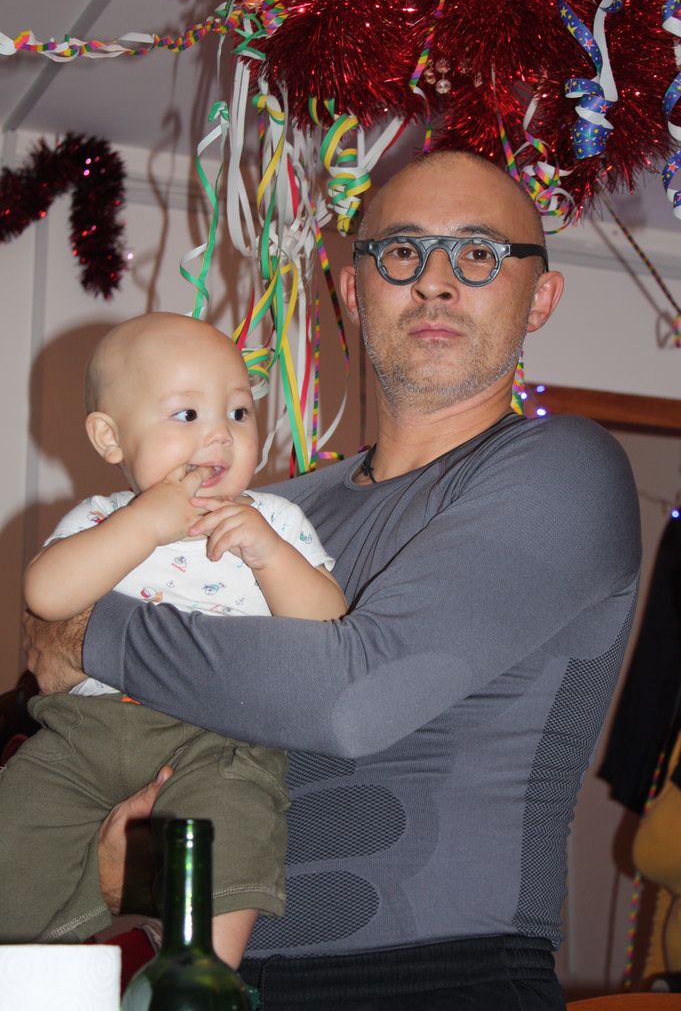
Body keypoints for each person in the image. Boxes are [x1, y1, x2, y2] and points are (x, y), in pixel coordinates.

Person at [25, 151, 642, 1010]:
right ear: (353, 290)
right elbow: (90, 707)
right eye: (401, 251)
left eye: (478, 253)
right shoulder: (274, 512)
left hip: (439, 981)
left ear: (538, 297)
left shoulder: (564, 469)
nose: (434, 282)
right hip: (215, 976)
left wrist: (87, 628)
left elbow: (353, 699)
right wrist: (125, 868)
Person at [3, 313, 346, 967]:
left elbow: (329, 626)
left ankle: (201, 977)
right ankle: (24, 970)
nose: (220, 433)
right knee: (17, 821)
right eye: (186, 414)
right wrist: (144, 526)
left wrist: (270, 556)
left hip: (215, 735)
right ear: (110, 437)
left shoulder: (273, 520)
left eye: (239, 412)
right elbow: (46, 595)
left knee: (234, 819)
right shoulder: (103, 518)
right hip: (84, 732)